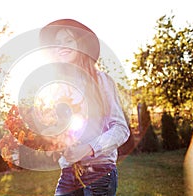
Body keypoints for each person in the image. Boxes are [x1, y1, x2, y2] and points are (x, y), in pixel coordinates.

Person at [39, 19, 130, 196]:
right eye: (57, 43)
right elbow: (63, 132)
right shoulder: (57, 88)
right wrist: (51, 142)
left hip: (99, 171)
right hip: (68, 172)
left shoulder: (101, 80)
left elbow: (121, 129)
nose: (61, 46)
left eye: (68, 40)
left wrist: (88, 148)